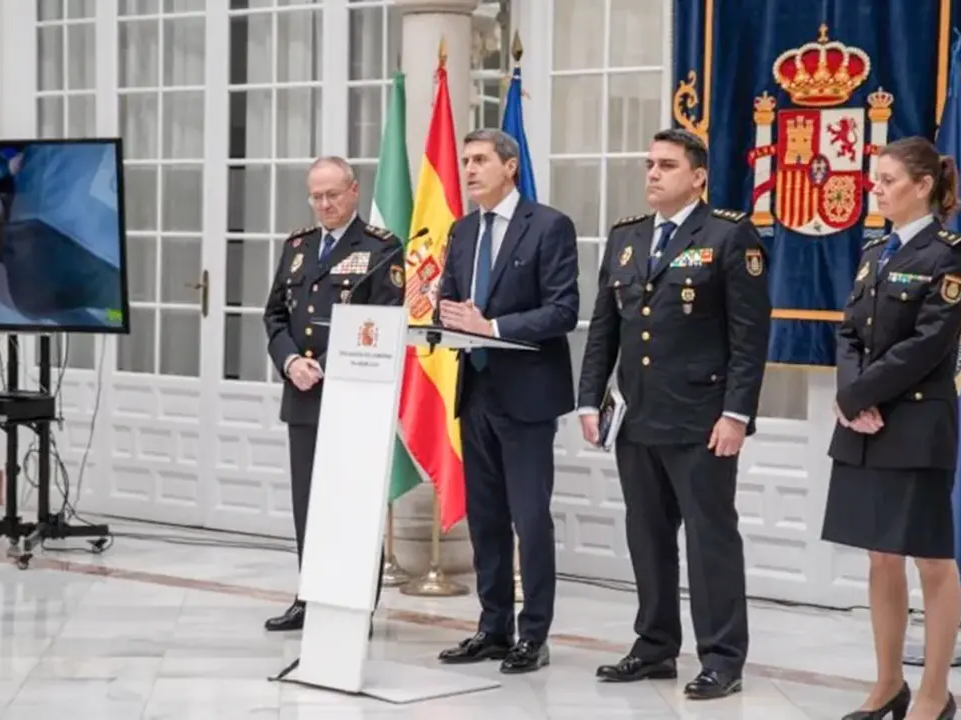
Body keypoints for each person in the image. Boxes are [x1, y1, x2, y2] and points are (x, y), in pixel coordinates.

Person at [577, 128, 771, 700]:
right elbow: (603, 329)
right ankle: (655, 646)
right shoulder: (627, 238)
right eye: (649, 164)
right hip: (638, 418)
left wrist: (736, 415)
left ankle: (722, 657)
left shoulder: (730, 235)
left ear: (698, 176)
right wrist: (590, 398)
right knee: (648, 535)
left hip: (701, 418)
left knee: (710, 539)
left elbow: (749, 338)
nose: (653, 174)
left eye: (666, 164)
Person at [822, 136, 961, 720]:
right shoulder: (875, 251)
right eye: (875, 179)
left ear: (923, 186)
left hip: (914, 422)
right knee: (880, 556)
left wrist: (861, 393)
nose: (875, 188)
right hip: (865, 423)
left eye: (886, 180)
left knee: (930, 558)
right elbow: (848, 332)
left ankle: (934, 692)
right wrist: (849, 394)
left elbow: (929, 341)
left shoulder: (949, 253)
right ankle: (888, 683)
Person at [433, 128, 579, 674]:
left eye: (479, 160)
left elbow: (563, 311)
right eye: (465, 161)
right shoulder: (462, 229)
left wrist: (491, 325)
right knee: (486, 520)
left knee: (529, 519)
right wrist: (443, 319)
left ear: (510, 166)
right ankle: (492, 627)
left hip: (527, 397)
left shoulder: (548, 226)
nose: (468, 169)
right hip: (475, 393)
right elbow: (451, 299)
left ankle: (532, 635)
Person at [262, 155, 405, 633]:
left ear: (353, 191)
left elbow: (383, 324)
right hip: (301, 394)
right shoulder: (298, 247)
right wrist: (290, 362)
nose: (323, 204)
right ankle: (310, 596)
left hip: (352, 396)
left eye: (332, 195)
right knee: (309, 504)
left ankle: (355, 606)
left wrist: (324, 364)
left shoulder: (382, 248)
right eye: (316, 196)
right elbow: (275, 316)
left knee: (352, 508)